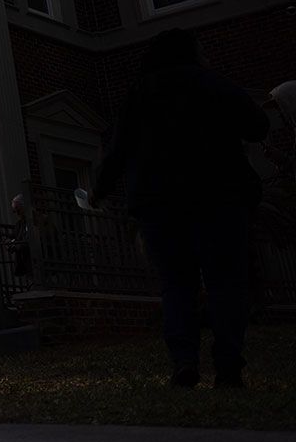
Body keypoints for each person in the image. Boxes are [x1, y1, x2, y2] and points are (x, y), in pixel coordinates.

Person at [94, 29, 269, 388]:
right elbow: (257, 125)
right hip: (218, 197)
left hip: (158, 205)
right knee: (225, 282)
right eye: (201, 49)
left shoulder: (139, 94)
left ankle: (184, 361)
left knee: (176, 284)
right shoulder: (212, 84)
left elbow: (117, 150)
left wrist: (99, 190)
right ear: (191, 53)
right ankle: (228, 363)